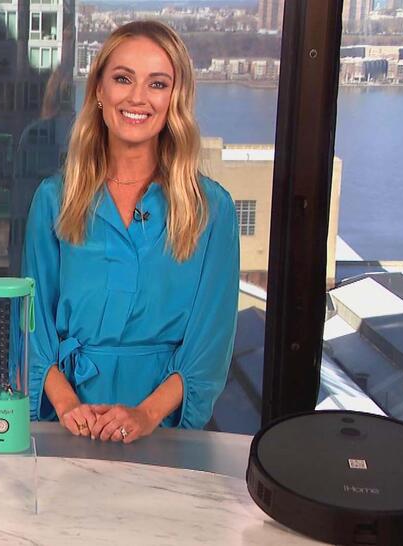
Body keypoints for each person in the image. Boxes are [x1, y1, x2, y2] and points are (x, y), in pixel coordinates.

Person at [22, 20, 239, 443]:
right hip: (68, 424)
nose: (137, 97)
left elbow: (210, 345)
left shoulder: (212, 210)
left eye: (157, 84)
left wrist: (144, 415)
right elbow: (33, 327)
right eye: (123, 79)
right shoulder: (54, 200)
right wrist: (68, 408)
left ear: (175, 98)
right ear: (100, 91)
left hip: (165, 429)